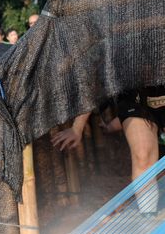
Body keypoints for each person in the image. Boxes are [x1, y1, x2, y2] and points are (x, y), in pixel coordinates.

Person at [52, 86, 165, 214]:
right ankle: (148, 214)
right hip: (136, 98)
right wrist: (77, 128)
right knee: (143, 156)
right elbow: (94, 82)